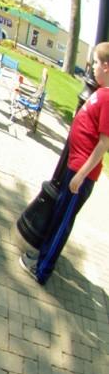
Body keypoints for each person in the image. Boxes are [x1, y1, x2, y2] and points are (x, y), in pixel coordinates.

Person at [20, 42, 109, 284]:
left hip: (82, 173)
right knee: (59, 215)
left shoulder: (108, 97)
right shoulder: (101, 92)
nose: (91, 69)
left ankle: (42, 270)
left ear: (107, 67)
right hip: (74, 166)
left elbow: (104, 144)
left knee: (62, 222)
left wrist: (81, 175)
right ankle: (42, 259)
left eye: (95, 64)